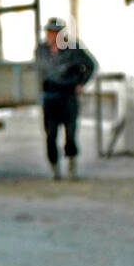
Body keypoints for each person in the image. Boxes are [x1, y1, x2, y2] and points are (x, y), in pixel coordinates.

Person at [34, 16, 97, 180]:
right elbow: (36, 70)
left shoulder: (73, 48)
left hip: (68, 94)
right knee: (50, 134)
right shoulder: (41, 50)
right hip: (50, 96)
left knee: (70, 134)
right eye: (49, 33)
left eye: (54, 33)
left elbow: (90, 65)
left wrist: (81, 83)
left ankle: (72, 166)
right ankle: (55, 169)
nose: (51, 36)